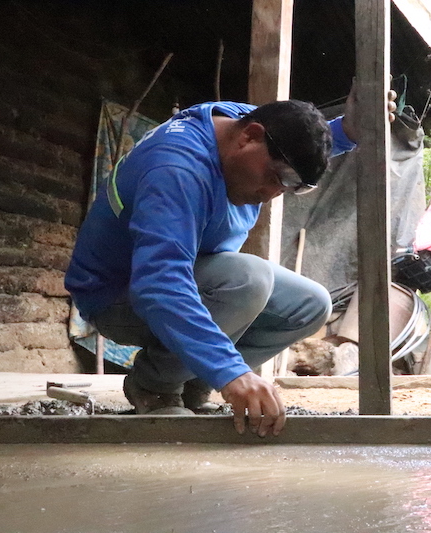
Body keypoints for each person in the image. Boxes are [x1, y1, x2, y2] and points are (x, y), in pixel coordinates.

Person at [65, 89, 396, 437]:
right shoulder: (176, 171)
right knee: (247, 282)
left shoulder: (244, 125)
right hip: (120, 295)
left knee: (310, 304)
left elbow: (290, 139)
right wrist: (231, 371)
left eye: (290, 186)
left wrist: (347, 131)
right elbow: (160, 285)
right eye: (275, 177)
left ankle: (193, 385)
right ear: (249, 137)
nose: (272, 194)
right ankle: (154, 385)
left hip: (188, 277)